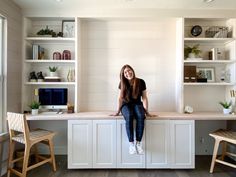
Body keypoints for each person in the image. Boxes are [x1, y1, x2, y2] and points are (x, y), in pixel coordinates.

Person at [111, 64, 155, 155]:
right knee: (129, 115)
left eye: (129, 70)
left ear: (132, 70)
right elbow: (120, 98)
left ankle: (138, 144)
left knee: (140, 115)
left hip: (137, 104)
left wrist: (147, 112)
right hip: (125, 105)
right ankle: (131, 144)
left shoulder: (141, 82)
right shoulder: (122, 83)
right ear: (123, 75)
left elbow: (144, 98)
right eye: (125, 72)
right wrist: (117, 111)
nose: (128, 73)